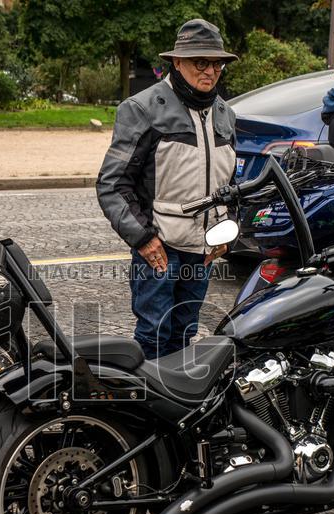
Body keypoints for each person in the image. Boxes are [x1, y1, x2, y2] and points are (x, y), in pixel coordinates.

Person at [97, 18, 238, 359]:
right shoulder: (142, 109)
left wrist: (227, 228)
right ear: (177, 62)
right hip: (159, 248)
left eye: (216, 62)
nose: (211, 71)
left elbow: (229, 184)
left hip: (202, 250)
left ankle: (178, 408)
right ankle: (148, 409)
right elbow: (112, 184)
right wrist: (143, 238)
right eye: (200, 62)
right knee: (155, 337)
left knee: (184, 334)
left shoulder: (225, 114)